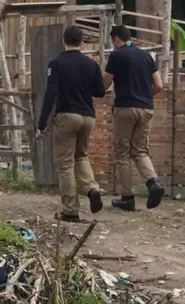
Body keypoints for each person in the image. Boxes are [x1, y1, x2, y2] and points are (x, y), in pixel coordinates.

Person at [37, 26, 106, 223]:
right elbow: (100, 92)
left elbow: (51, 94)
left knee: (65, 164)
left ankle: (70, 211)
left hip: (67, 117)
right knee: (81, 156)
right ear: (82, 43)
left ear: (63, 41)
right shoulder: (91, 65)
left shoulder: (57, 63)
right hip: (88, 118)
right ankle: (92, 189)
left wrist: (42, 123)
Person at [103, 25, 165, 212]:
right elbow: (159, 85)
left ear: (115, 40)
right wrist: (145, 97)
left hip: (125, 108)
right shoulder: (146, 56)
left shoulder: (116, 56)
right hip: (146, 108)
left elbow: (106, 83)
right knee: (140, 151)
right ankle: (153, 183)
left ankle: (127, 197)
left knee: (122, 153)